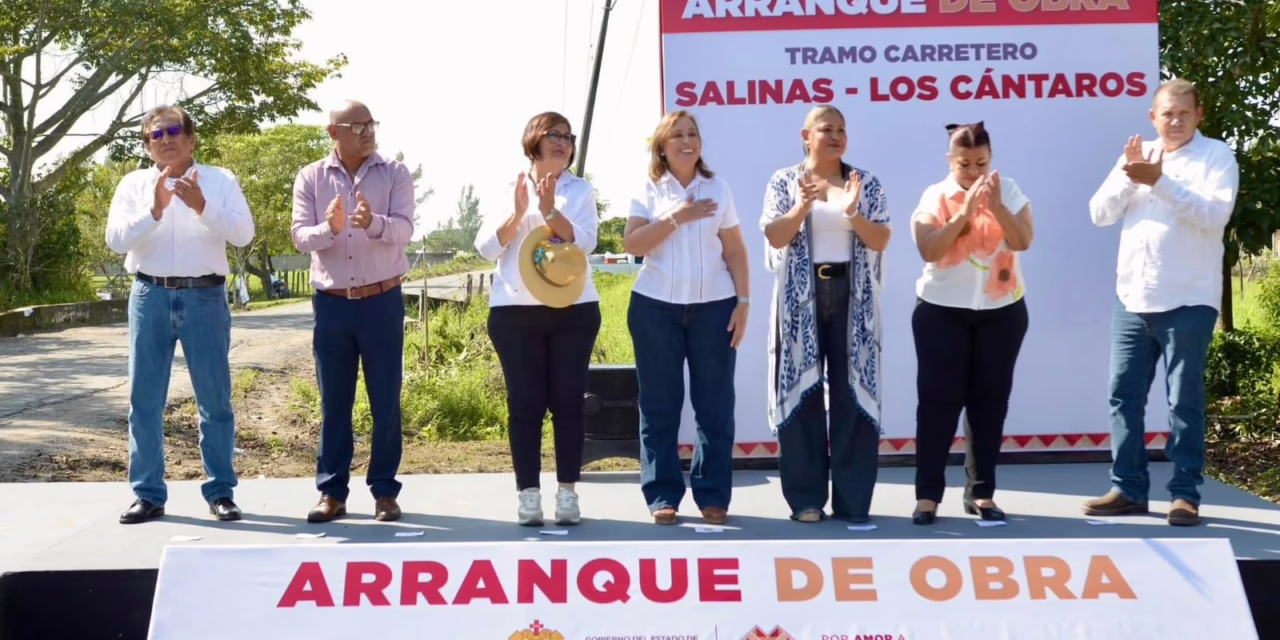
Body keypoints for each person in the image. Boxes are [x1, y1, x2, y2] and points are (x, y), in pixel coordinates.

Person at [1083, 78, 1239, 527]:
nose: (1174, 121)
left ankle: (1185, 494)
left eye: (1183, 114)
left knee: (1183, 401)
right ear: (1153, 117)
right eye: (1166, 114)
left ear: (1199, 115)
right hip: (1133, 297)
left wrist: (1161, 182)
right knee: (1122, 396)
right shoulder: (1137, 156)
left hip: (1189, 300)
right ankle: (1127, 488)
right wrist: (1131, 180)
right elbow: (1099, 213)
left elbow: (1214, 216)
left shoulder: (1216, 156)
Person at [104, 105, 256, 524]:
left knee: (215, 400)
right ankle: (148, 494)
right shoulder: (134, 184)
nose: (166, 139)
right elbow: (116, 241)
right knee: (144, 400)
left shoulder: (220, 180)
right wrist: (154, 210)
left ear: (191, 139)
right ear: (147, 144)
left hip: (204, 298)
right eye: (157, 134)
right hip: (149, 294)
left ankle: (221, 491)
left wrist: (203, 206)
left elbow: (244, 234)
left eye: (175, 131)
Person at [759, 105, 891, 523]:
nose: (835, 136)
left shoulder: (864, 181)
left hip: (854, 297)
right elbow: (775, 235)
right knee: (803, 393)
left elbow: (882, 238)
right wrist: (801, 206)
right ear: (806, 135)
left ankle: (853, 501)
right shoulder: (785, 181)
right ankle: (806, 500)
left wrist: (853, 211)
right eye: (826, 129)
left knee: (854, 395)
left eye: (841, 129)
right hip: (801, 299)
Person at [622, 110, 751, 525]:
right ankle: (662, 495)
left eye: (692, 133)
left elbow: (734, 250)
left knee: (714, 405)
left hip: (715, 307)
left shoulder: (718, 187)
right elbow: (633, 244)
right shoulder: (648, 188)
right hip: (655, 307)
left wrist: (743, 302)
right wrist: (677, 216)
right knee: (659, 405)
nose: (686, 140)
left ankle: (712, 495)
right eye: (676, 135)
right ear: (662, 145)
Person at [290, 100, 416, 523]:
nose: (366, 132)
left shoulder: (395, 173)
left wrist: (372, 222)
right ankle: (332, 493)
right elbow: (300, 236)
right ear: (333, 132)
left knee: (386, 399)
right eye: (355, 125)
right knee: (334, 403)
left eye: (370, 124)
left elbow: (405, 229)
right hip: (332, 306)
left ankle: (384, 492)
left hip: (382, 300)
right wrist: (332, 228)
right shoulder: (310, 176)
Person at [475, 111, 602, 526]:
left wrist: (550, 211)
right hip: (515, 313)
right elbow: (486, 249)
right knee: (525, 405)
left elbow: (585, 242)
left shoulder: (581, 190)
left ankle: (568, 493)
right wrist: (519, 214)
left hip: (574, 310)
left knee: (568, 402)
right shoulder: (507, 186)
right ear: (534, 140)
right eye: (554, 135)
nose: (563, 143)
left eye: (568, 136)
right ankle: (528, 495)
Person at [908, 122, 1035, 525]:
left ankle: (982, 493)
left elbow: (1022, 241)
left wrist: (996, 207)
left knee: (989, 404)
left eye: (981, 163)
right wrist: (963, 213)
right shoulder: (936, 195)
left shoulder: (1009, 191)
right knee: (938, 405)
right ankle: (927, 496)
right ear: (950, 160)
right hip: (941, 310)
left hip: (1002, 312)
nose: (974, 172)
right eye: (965, 164)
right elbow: (929, 248)